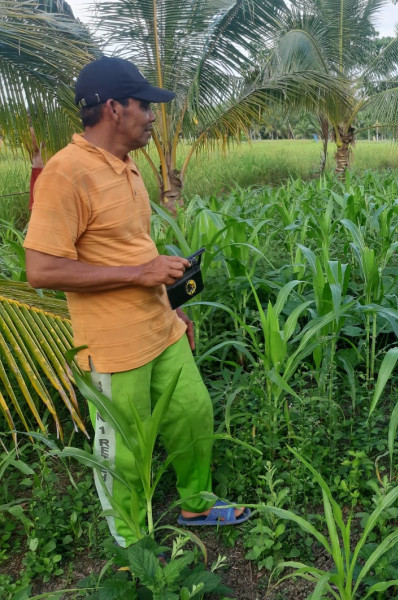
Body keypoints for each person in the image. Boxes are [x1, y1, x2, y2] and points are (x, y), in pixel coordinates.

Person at [23, 57, 251, 548]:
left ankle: (196, 503)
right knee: (124, 451)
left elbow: (131, 247)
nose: (152, 116)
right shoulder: (67, 173)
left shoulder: (125, 167)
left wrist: (173, 301)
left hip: (159, 325)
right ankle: (132, 551)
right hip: (114, 344)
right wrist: (139, 273)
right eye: (144, 106)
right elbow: (40, 269)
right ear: (112, 108)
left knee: (193, 413)